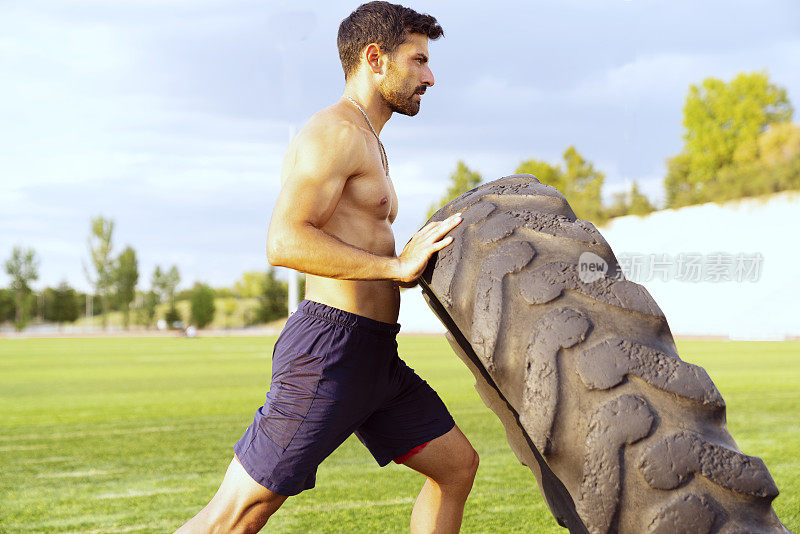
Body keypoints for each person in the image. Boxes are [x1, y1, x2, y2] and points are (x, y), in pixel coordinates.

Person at [175, 3, 478, 532]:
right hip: (328, 354)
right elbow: (284, 239)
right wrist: (395, 266)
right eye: (418, 60)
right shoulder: (333, 133)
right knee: (238, 514)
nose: (430, 76)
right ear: (375, 58)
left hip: (374, 356)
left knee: (455, 466)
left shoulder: (368, 140)